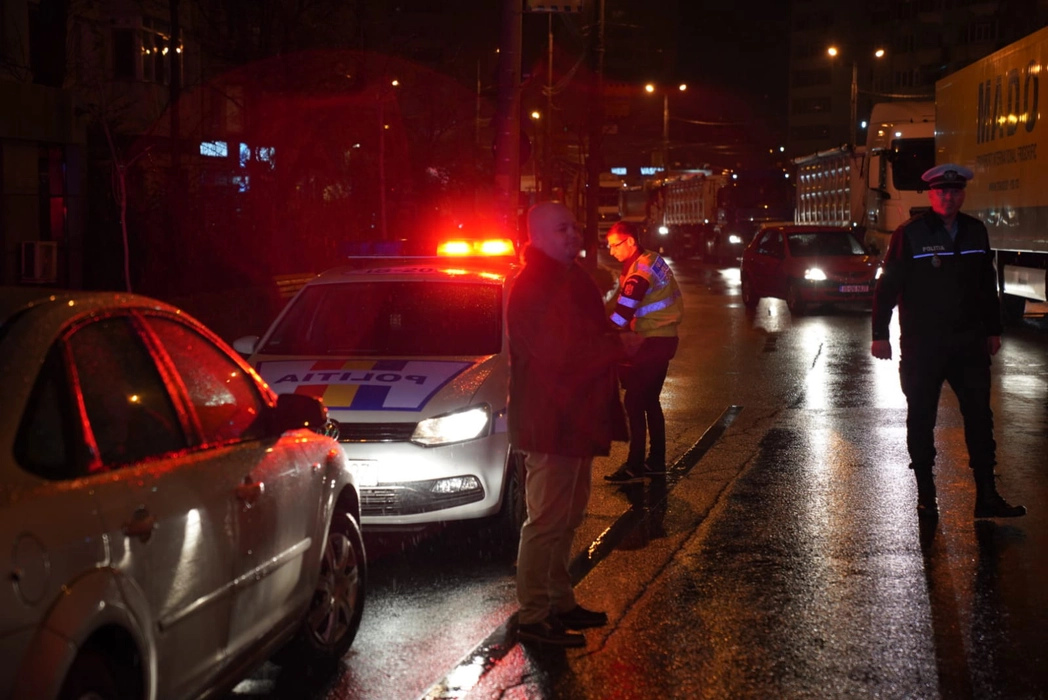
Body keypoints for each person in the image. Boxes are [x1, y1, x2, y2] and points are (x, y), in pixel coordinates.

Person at [871, 163, 1025, 520]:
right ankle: (926, 497)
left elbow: (986, 286)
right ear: (931, 194)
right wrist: (880, 335)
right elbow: (888, 287)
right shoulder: (909, 234)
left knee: (980, 418)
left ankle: (986, 496)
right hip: (923, 345)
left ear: (963, 194)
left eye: (955, 191)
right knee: (921, 418)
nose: (949, 197)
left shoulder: (975, 231)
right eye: (942, 191)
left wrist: (993, 329)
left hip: (968, 343)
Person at [507, 202, 629, 647]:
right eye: (562, 229)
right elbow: (559, 355)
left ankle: (560, 601)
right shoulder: (533, 286)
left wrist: (613, 341)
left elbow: (586, 336)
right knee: (545, 522)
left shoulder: (569, 277)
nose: (574, 234)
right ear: (536, 236)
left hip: (574, 418)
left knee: (568, 517)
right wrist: (618, 347)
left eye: (574, 226)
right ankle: (534, 615)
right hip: (550, 421)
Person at [602, 221, 684, 484]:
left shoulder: (640, 271)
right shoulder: (650, 259)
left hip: (652, 341)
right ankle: (656, 461)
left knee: (634, 402)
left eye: (615, 245)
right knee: (649, 400)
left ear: (630, 241)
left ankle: (635, 466)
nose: (611, 251)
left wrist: (600, 330)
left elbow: (622, 314)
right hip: (663, 338)